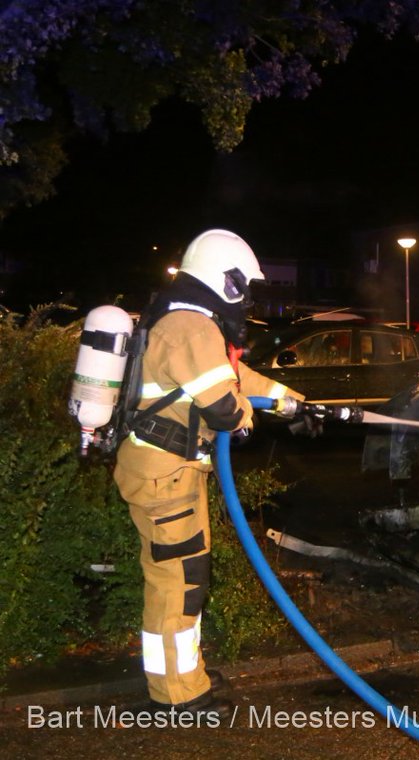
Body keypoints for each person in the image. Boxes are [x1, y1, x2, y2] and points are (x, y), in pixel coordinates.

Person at [113, 229, 304, 717]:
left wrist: (293, 401)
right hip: (165, 474)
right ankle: (176, 694)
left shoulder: (189, 322)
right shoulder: (191, 326)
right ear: (228, 279)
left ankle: (183, 675)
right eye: (245, 284)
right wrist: (250, 416)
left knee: (184, 577)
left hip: (171, 471)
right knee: (178, 581)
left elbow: (232, 378)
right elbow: (225, 407)